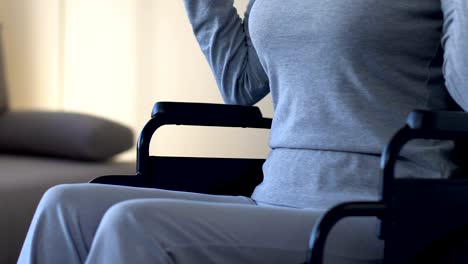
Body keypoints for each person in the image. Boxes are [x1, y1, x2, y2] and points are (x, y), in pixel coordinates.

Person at [18, 0, 467, 263]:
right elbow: (241, 86)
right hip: (274, 195)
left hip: (382, 212)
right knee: (65, 204)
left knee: (134, 223)